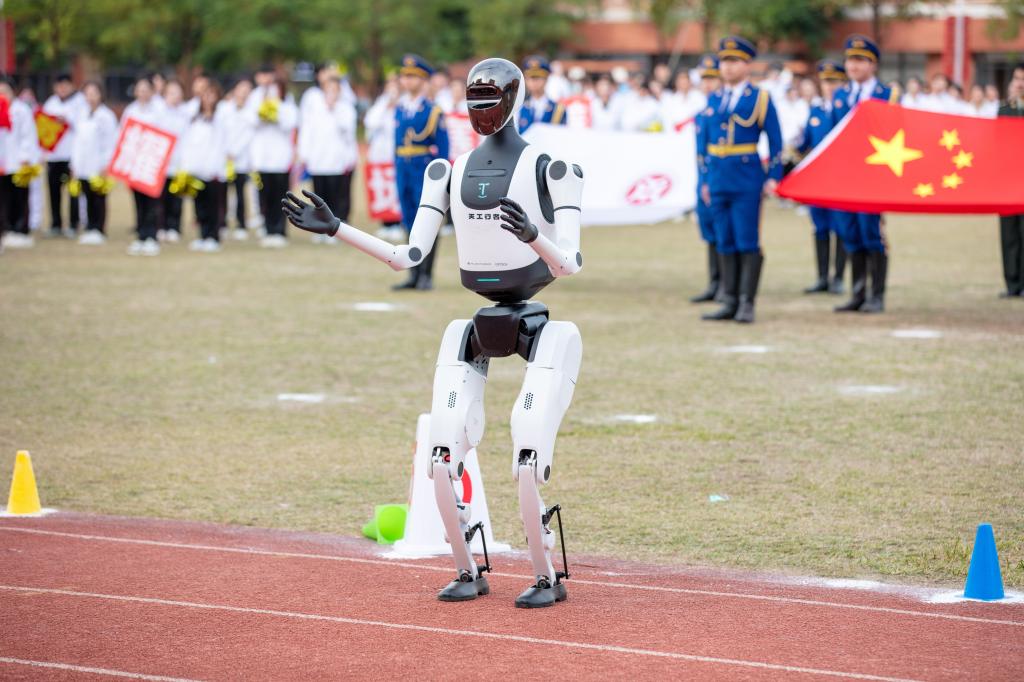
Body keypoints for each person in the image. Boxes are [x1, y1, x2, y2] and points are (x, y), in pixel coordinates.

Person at [284, 56, 585, 609]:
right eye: (473, 99)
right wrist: (338, 228)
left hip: (543, 327)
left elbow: (570, 262)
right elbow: (409, 255)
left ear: (514, 101)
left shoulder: (551, 166)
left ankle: (546, 574)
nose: (481, 109)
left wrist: (533, 237)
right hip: (475, 322)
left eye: (491, 98)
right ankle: (468, 567)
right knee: (443, 450)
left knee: (527, 451)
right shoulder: (449, 170)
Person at [698, 37, 783, 324]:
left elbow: (776, 141)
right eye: (724, 61)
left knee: (747, 240)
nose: (728, 67)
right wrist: (705, 180)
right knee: (724, 239)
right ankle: (729, 300)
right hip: (718, 178)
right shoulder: (714, 98)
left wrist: (773, 176)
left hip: (746, 179)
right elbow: (705, 144)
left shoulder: (759, 98)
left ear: (747, 65)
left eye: (734, 61)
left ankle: (747, 302)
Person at [830, 35, 900, 313]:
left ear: (873, 64)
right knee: (850, 233)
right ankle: (858, 293)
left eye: (860, 60)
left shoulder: (887, 95)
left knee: (872, 233)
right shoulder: (840, 96)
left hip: (873, 175)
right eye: (850, 60)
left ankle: (876, 295)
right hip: (845, 176)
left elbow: (897, 134)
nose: (853, 66)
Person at [392, 54, 448, 290]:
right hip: (403, 168)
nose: (407, 80)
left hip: (423, 170)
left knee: (427, 221)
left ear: (424, 80)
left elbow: (443, 151)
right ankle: (413, 273)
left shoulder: (433, 111)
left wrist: (440, 180)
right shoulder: (400, 108)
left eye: (413, 76)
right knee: (408, 220)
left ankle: (426, 274)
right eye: (405, 76)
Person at [799, 61, 848, 295]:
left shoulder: (847, 109)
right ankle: (821, 277)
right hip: (818, 180)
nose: (829, 86)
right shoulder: (816, 110)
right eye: (826, 81)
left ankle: (838, 277)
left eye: (834, 82)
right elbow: (807, 142)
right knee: (820, 227)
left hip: (840, 178)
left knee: (841, 227)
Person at [298, 74, 357, 245]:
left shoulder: (345, 109)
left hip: (337, 161)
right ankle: (321, 229)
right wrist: (304, 153)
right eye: (328, 89)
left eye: (334, 90)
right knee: (319, 196)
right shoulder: (314, 109)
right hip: (318, 160)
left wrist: (334, 109)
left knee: (336, 197)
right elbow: (306, 132)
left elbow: (347, 130)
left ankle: (337, 229)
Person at [246, 73, 297, 248]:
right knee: (264, 196)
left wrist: (276, 111)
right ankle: (268, 229)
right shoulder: (256, 98)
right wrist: (263, 112)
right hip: (262, 159)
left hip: (281, 160)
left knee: (280, 196)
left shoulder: (287, 105)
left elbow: (290, 124)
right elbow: (250, 121)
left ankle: (280, 230)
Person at [180, 80, 228, 252]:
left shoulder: (222, 116)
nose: (208, 99)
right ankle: (203, 235)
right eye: (205, 95)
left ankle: (213, 236)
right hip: (197, 168)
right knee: (199, 205)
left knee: (213, 205)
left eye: (212, 95)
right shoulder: (195, 118)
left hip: (214, 169)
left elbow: (223, 144)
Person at [690, 55, 722, 303]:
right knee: (709, 232)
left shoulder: (721, 112)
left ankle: (726, 285)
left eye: (713, 78)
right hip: (704, 178)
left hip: (720, 179)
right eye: (705, 79)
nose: (708, 84)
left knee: (724, 233)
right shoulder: (701, 114)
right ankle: (715, 282)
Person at [121, 76, 166, 256]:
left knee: (152, 202)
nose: (142, 93)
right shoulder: (130, 110)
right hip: (135, 164)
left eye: (146, 90)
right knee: (138, 202)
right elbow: (124, 135)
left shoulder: (159, 110)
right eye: (139, 90)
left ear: (152, 91)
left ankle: (152, 236)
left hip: (152, 164)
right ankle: (141, 235)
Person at [70, 81, 118, 245]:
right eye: (87, 94)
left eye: (94, 93)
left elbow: (110, 143)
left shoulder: (106, 116)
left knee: (98, 197)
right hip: (83, 164)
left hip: (99, 164)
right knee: (86, 196)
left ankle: (99, 228)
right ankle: (89, 226)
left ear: (100, 95)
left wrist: (106, 164)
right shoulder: (81, 114)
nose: (90, 97)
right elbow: (77, 141)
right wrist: (75, 164)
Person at [0, 77, 41, 250]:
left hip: (19, 162)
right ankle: (7, 229)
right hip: (3, 163)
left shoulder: (21, 110)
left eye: (5, 92)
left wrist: (26, 157)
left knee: (20, 197)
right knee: (4, 198)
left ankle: (21, 229)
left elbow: (28, 135)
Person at [42, 74, 85, 238]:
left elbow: (83, 126)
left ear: (72, 86)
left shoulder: (79, 102)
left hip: (71, 155)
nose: (62, 89)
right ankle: (56, 224)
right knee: (54, 191)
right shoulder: (50, 103)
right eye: (59, 86)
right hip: (54, 156)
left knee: (73, 191)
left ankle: (74, 223)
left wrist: (67, 119)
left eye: (65, 85)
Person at [364, 74, 403, 242]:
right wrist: (386, 104)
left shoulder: (404, 104)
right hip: (380, 156)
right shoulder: (380, 104)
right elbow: (371, 122)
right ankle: (386, 224)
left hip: (398, 155)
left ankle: (398, 224)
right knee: (383, 191)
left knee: (397, 191)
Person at [997, 63, 1024, 298]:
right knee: (1009, 235)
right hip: (1007, 184)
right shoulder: (1004, 110)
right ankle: (1012, 284)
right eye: (1017, 79)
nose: (1020, 83)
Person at [157, 80, 191, 243]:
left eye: (177, 92)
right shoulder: (158, 112)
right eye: (171, 93)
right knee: (160, 197)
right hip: (161, 162)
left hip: (179, 162)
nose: (174, 96)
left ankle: (174, 227)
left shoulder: (186, 113)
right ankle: (161, 226)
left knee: (176, 198)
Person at [223, 78, 256, 239]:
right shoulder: (224, 108)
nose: (244, 93)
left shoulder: (252, 111)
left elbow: (250, 134)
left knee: (240, 192)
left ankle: (241, 224)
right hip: (223, 157)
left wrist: (235, 151)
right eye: (241, 89)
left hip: (241, 158)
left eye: (247, 90)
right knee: (222, 192)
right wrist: (226, 151)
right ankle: (221, 223)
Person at [518, 56, 566, 133]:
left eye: (537, 77)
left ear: (547, 79)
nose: (533, 81)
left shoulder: (558, 109)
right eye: (529, 78)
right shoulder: (519, 108)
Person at [661, 67, 706, 133]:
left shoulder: (699, 97)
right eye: (680, 79)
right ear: (676, 82)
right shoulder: (671, 100)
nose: (683, 82)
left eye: (685, 79)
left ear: (690, 81)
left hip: (695, 133)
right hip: (677, 135)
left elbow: (701, 117)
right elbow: (668, 122)